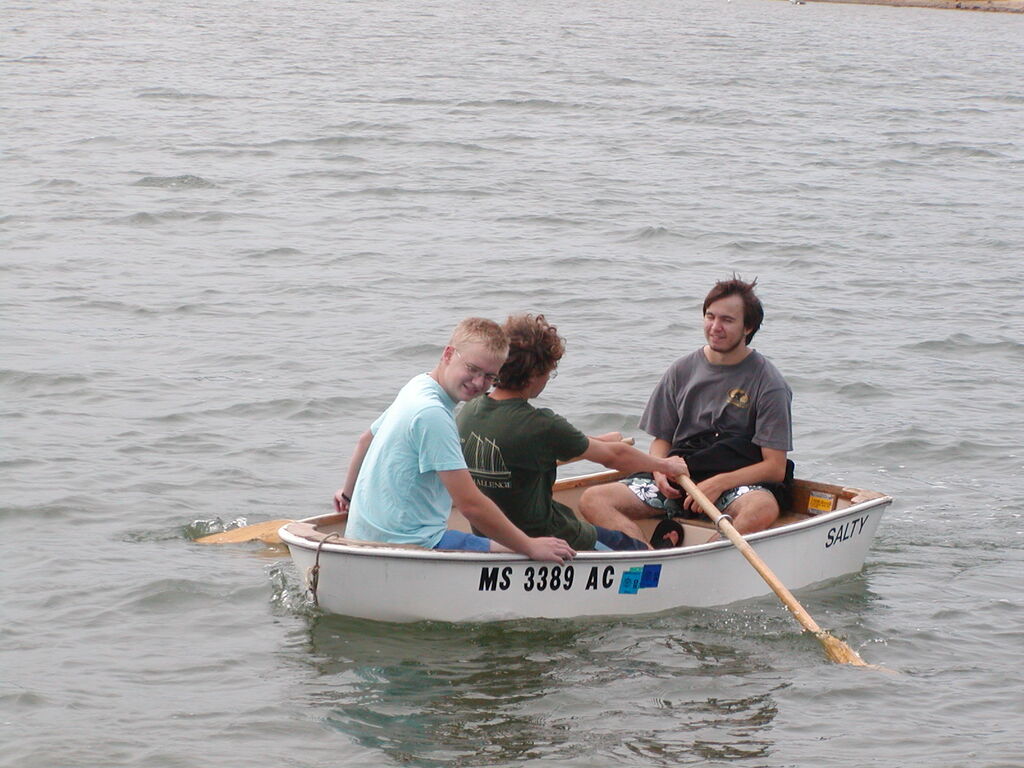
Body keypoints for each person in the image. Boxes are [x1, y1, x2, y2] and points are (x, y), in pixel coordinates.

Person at [333, 318, 575, 564]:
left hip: (362, 536)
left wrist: (347, 494)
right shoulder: (432, 414)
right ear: (448, 354)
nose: (479, 382)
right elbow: (470, 505)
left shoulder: (417, 385)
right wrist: (530, 546)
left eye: (490, 376)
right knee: (516, 548)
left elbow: (365, 440)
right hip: (411, 546)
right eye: (472, 369)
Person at [578, 277, 793, 541]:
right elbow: (661, 441)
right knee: (593, 499)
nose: (715, 327)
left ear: (748, 327)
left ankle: (706, 562)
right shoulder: (681, 370)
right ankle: (646, 559)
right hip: (680, 477)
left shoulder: (769, 382)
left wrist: (719, 483)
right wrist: (659, 470)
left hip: (738, 482)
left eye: (727, 320)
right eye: (710, 317)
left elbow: (774, 467)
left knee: (762, 508)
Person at [456, 314, 691, 551]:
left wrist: (594, 442)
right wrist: (666, 465)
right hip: (554, 539)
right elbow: (616, 457)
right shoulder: (541, 424)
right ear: (535, 374)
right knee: (633, 550)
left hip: (496, 538)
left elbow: (526, 450)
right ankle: (654, 555)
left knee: (614, 537)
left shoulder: (469, 411)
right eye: (550, 371)